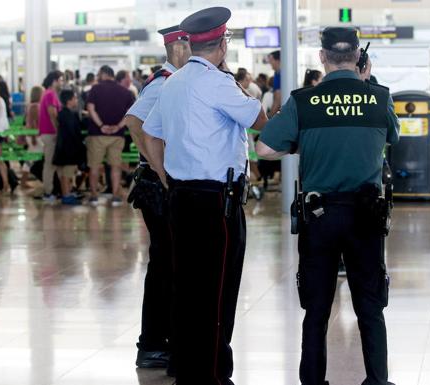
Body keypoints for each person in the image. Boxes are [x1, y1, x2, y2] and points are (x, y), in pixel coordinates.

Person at [256, 26, 399, 385]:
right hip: (366, 216)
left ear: (322, 57)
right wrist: (366, 83)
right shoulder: (379, 98)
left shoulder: (303, 101)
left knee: (316, 310)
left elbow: (263, 149)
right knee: (370, 306)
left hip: (318, 217)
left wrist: (304, 143)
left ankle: (314, 382)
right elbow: (391, 136)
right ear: (358, 58)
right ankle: (377, 381)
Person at [142, 7, 267, 384]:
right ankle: (212, 375)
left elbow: (150, 134)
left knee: (187, 287)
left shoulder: (173, 82)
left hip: (181, 197)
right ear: (223, 44)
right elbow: (258, 119)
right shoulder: (218, 83)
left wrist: (168, 177)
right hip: (216, 201)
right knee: (217, 292)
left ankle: (183, 367)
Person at [123, 24, 191, 373]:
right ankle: (151, 344)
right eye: (191, 45)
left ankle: (159, 340)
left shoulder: (173, 81)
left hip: (160, 185)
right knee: (165, 266)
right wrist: (160, 169)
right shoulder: (164, 82)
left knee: (168, 265)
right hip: (156, 187)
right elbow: (134, 121)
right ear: (178, 48)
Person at [86, 65, 135, 206]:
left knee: (94, 166)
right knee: (115, 167)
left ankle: (94, 196)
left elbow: (90, 109)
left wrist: (101, 125)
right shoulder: (125, 92)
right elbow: (130, 113)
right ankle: (115, 196)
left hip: (97, 134)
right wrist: (118, 126)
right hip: (117, 135)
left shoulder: (95, 89)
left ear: (102, 74)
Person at [53, 89, 85, 205]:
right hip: (69, 150)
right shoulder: (70, 115)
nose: (76, 100)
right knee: (67, 174)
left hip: (62, 149)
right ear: (69, 101)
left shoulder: (62, 113)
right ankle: (66, 195)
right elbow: (74, 133)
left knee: (63, 174)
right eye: (75, 98)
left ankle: (66, 193)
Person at [37, 70, 64, 200]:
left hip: (49, 133)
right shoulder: (50, 94)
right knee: (50, 164)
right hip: (51, 133)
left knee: (56, 164)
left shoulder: (48, 94)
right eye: (61, 80)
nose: (62, 83)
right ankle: (48, 192)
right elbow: (52, 114)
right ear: (54, 81)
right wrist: (58, 131)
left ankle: (59, 189)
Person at [21, 85, 44, 189]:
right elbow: (34, 123)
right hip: (35, 135)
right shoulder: (36, 106)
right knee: (32, 158)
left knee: (29, 159)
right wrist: (34, 137)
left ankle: (23, 181)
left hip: (31, 135)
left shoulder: (30, 106)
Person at [268, 49, 282, 116]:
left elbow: (278, 97)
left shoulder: (281, 74)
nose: (269, 62)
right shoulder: (276, 73)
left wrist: (270, 117)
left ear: (278, 60)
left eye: (271, 60)